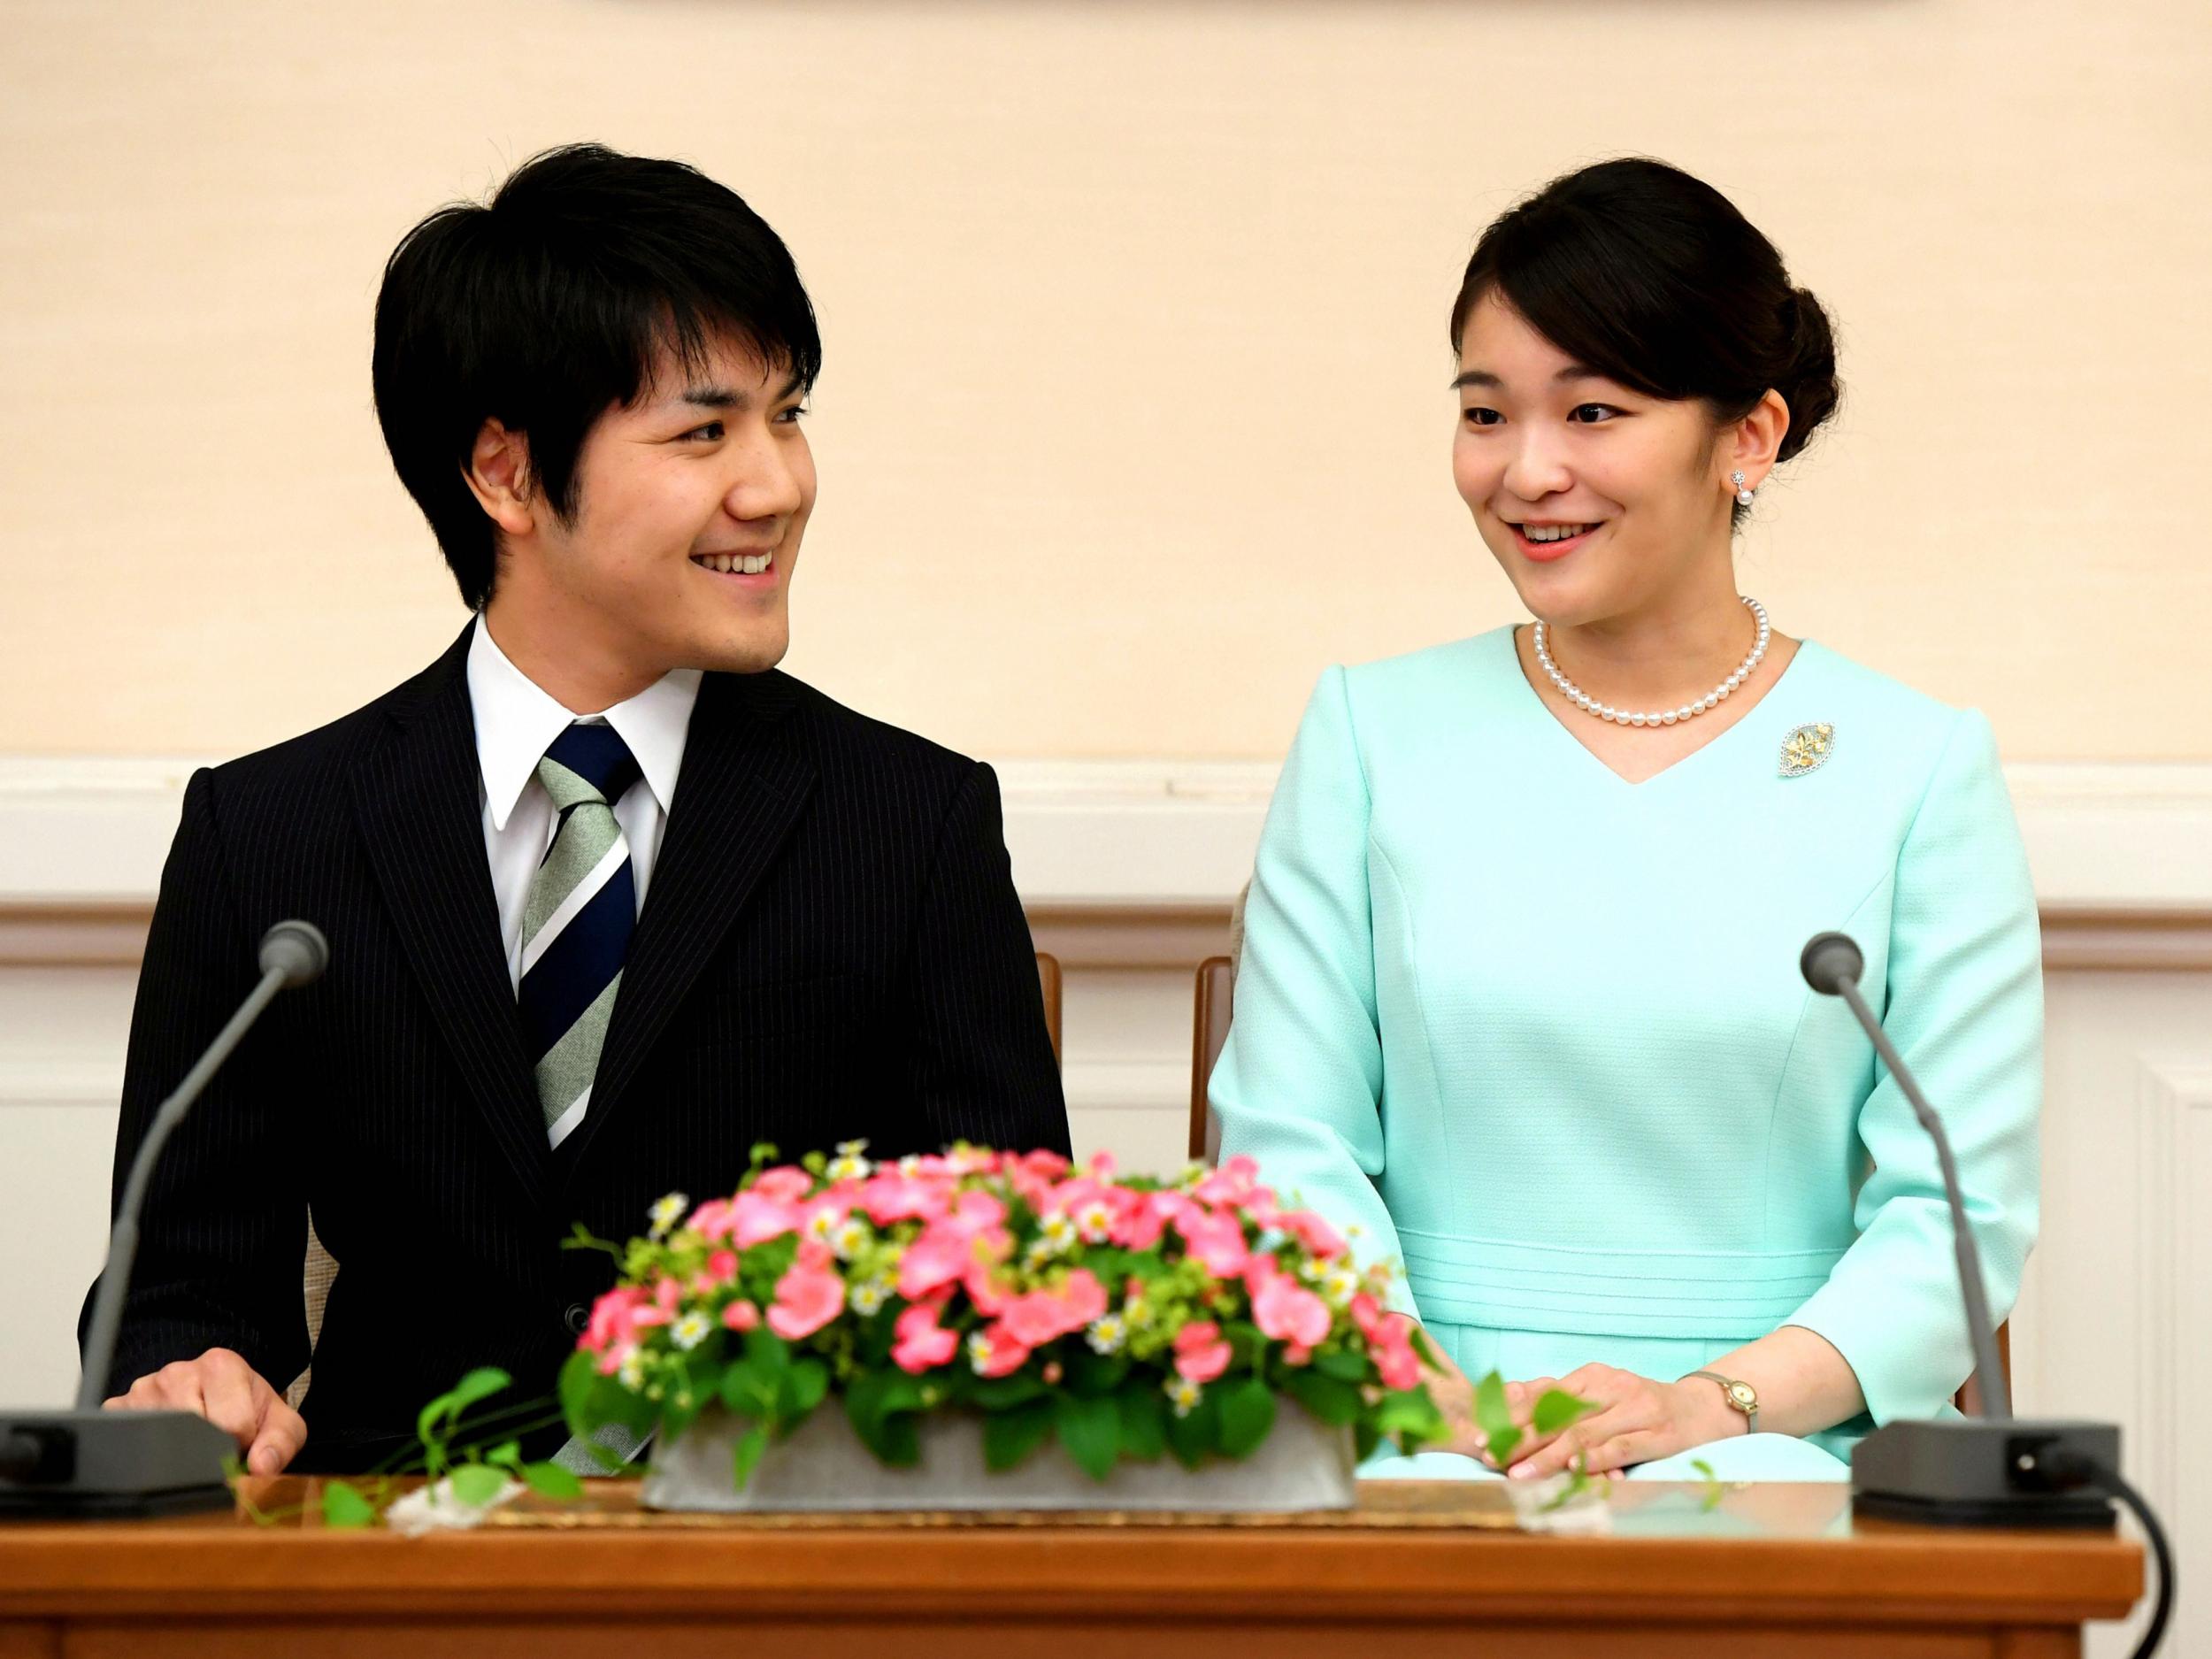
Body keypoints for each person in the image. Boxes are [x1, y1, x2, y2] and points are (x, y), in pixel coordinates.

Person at [87, 144, 1071, 1473]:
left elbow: (1013, 1296)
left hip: (772, 1575)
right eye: (704, 430)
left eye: (789, 414)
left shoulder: (910, 826)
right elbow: (182, 1296)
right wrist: (196, 1379)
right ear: (504, 473)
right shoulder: (269, 836)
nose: (776, 484)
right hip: (386, 1575)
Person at [1210, 158, 2040, 1482]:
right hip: (1415, 1426)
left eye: (1592, 411)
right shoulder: (1371, 732)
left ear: (1750, 437)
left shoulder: (1916, 765)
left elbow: (1956, 1209)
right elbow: (1286, 1150)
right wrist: (1433, 1403)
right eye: (1487, 414)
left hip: (1782, 1433)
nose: (1527, 471)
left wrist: (1712, 1403)